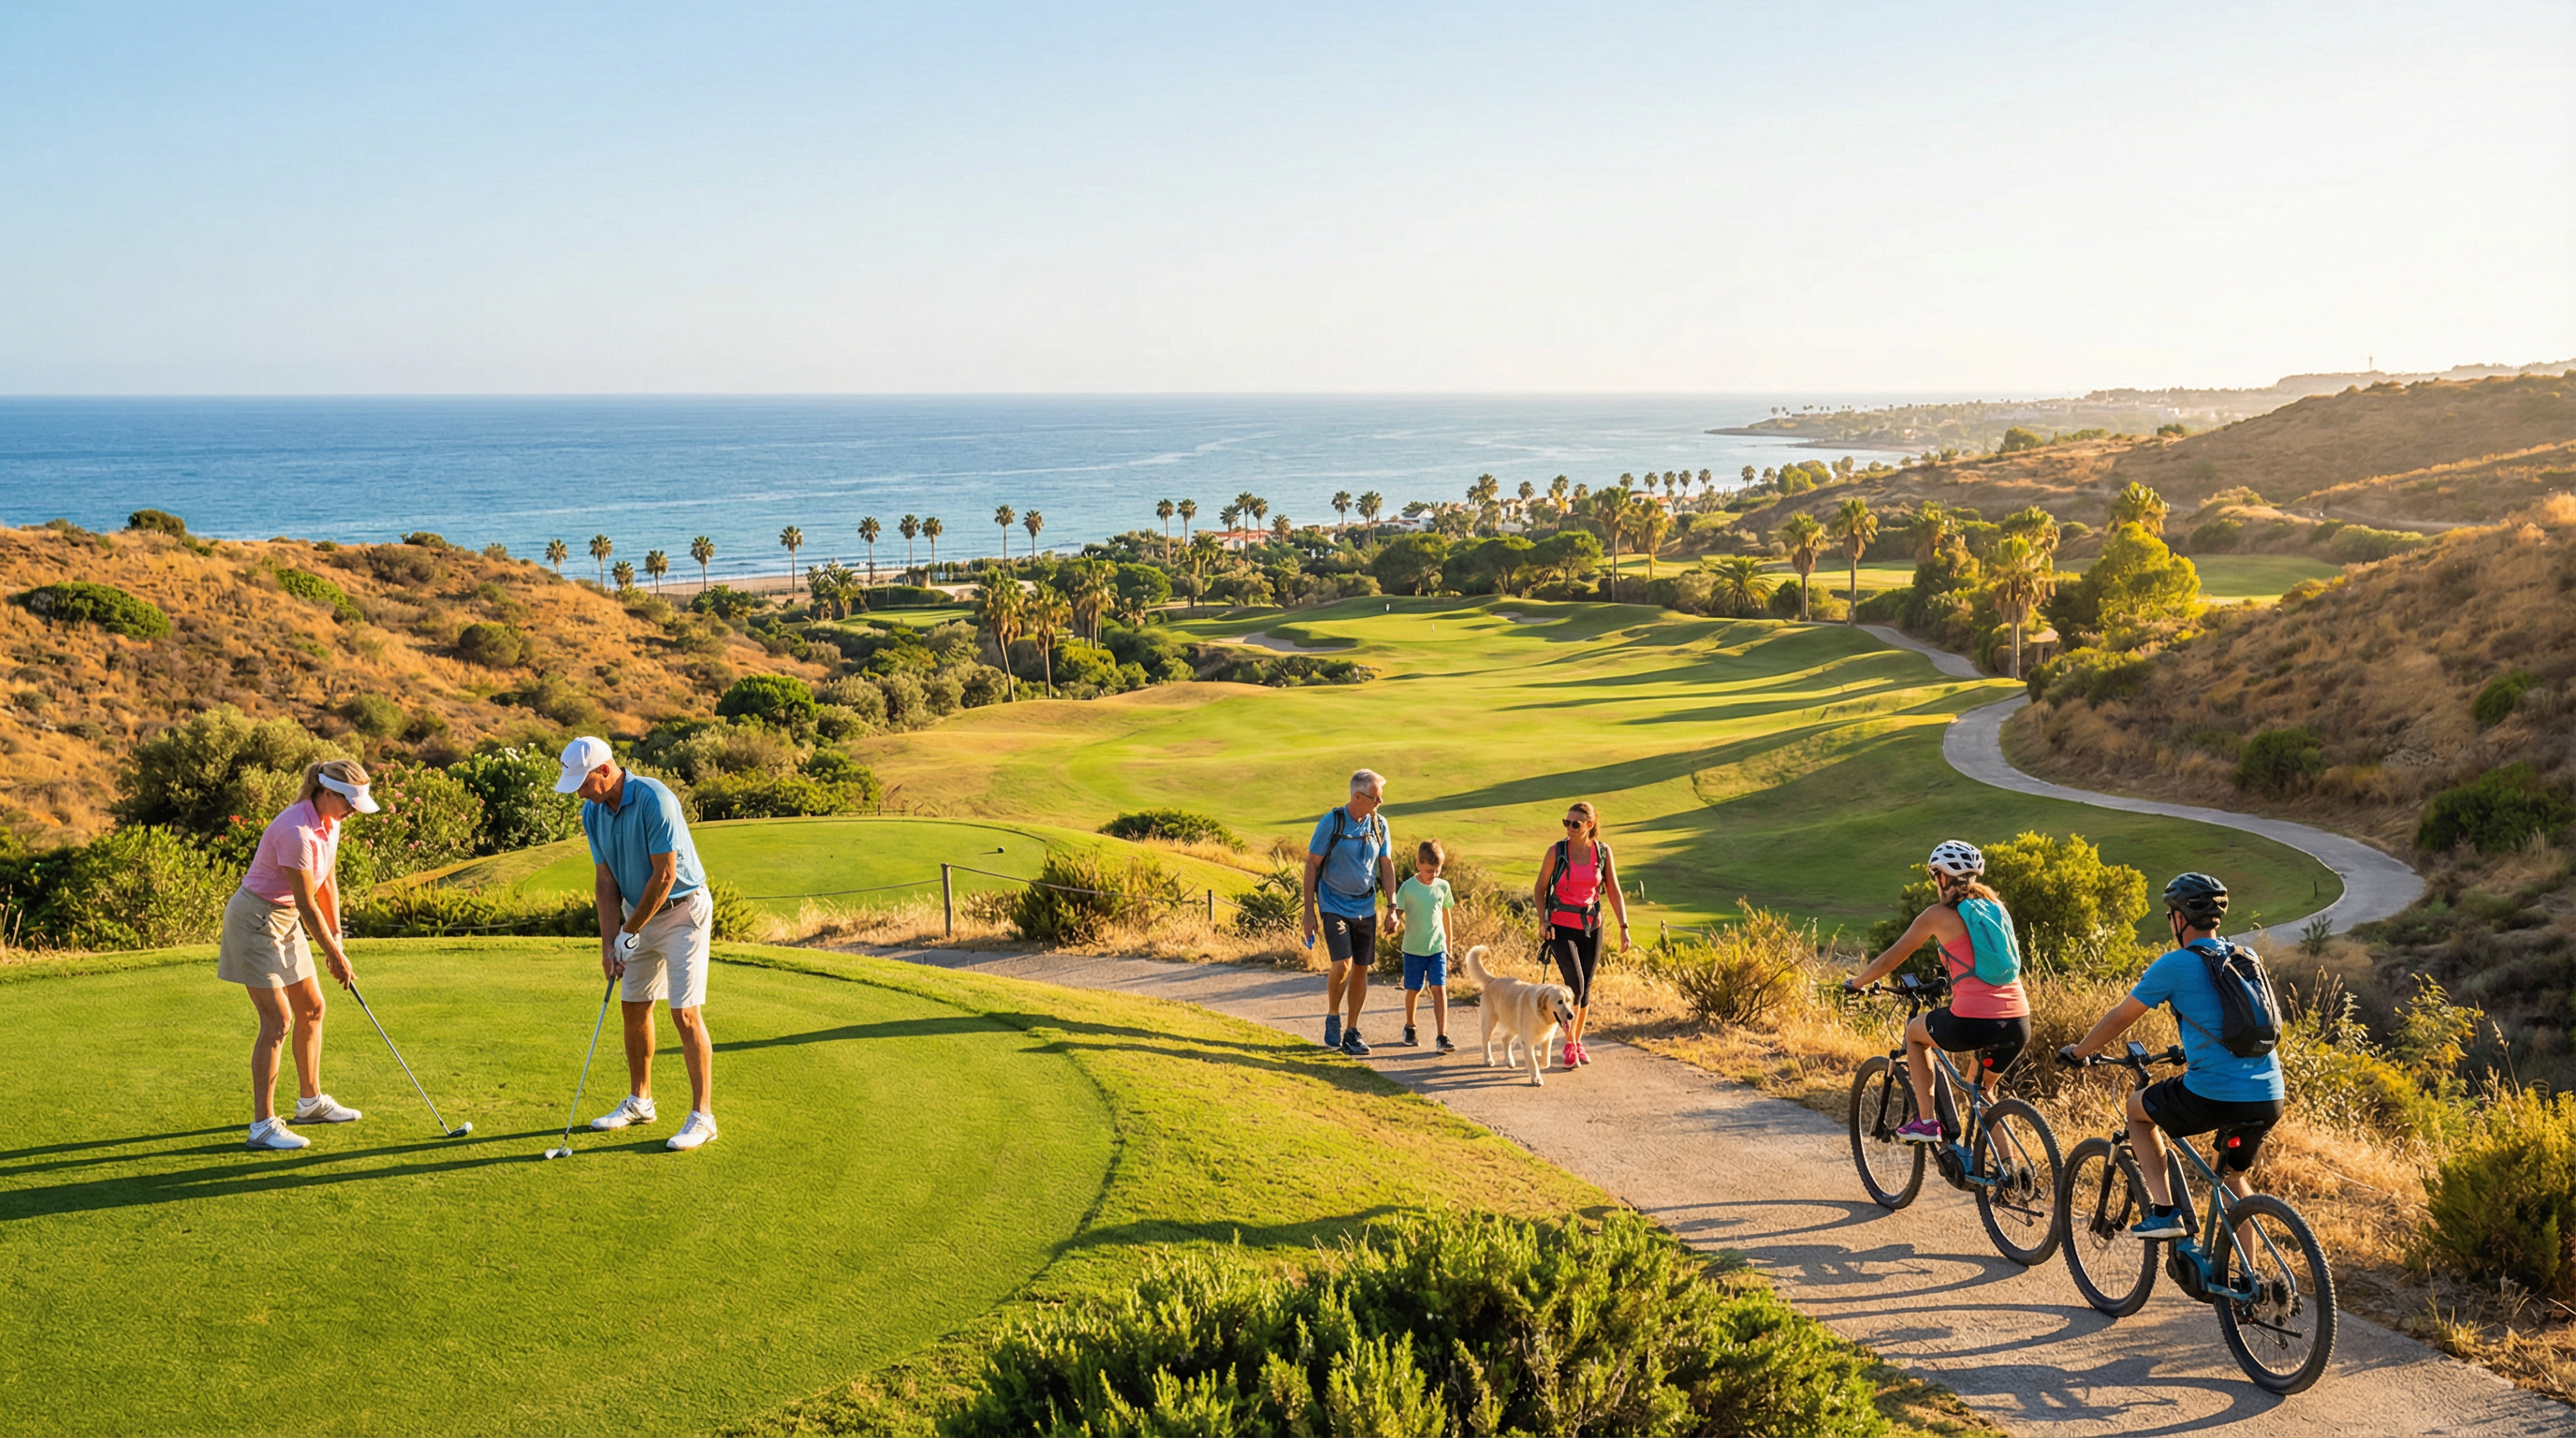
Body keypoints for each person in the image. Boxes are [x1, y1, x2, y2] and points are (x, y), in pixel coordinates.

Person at [2057, 873, 2283, 1238]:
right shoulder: (2246, 957)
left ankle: (2164, 1213)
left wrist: (2078, 1052)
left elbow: (2121, 1017)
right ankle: (2246, 1271)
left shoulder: (2174, 964)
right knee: (2230, 1181)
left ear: (2179, 918)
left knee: (2137, 1111)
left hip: (2215, 1093)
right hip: (2270, 1093)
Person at [556, 735, 721, 1152]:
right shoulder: (592, 812)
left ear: (605, 770)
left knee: (685, 1014)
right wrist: (609, 943)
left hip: (683, 911)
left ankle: (703, 1118)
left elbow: (665, 876)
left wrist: (629, 931)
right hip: (637, 913)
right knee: (633, 1006)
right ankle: (640, 1102)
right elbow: (605, 880)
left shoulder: (654, 799)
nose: (580, 792)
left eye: (584, 783)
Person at [220, 758, 380, 1152]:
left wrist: (337, 939)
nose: (353, 811)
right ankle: (262, 1125)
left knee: (312, 1007)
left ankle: (310, 1103)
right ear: (325, 792)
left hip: (286, 916)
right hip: (254, 920)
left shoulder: (331, 822)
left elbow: (327, 883)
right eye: (349, 802)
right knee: (278, 1020)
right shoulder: (296, 831)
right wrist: (333, 956)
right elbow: (307, 904)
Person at [1843, 840, 2030, 1142]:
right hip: (2019, 1021)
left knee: (1915, 1033)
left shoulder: (1937, 915)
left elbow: (1892, 958)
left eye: (1935, 876)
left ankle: (1927, 1122)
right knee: (1981, 1091)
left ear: (1943, 877)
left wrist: (1858, 982)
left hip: (1973, 1021)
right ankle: (2009, 1167)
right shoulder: (1996, 908)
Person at [1303, 769, 1398, 1057]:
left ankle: (1352, 1031)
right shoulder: (1331, 822)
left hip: (1365, 906)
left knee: (1361, 967)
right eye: (1376, 798)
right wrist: (1309, 913)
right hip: (1333, 903)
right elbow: (1311, 865)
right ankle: (1333, 1015)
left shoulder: (1380, 824)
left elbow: (1386, 864)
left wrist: (1392, 907)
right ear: (1358, 797)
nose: (1380, 802)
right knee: (1343, 963)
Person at [1530, 801, 1628, 1067]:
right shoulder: (1556, 851)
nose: (1569, 828)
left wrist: (1624, 927)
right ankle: (1570, 1044)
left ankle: (1575, 1042)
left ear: (1589, 825)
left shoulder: (1602, 852)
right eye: (1567, 822)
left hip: (1592, 926)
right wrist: (1543, 921)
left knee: (1585, 991)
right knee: (1576, 985)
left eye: (1575, 824)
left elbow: (1613, 890)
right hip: (1561, 926)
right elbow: (1540, 888)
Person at [1389, 839, 1457, 1052]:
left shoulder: (1443, 887)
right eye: (1429, 871)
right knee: (1414, 989)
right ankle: (1410, 1026)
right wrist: (1393, 921)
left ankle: (1442, 1036)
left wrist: (1448, 945)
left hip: (1437, 948)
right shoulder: (1408, 888)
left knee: (1439, 988)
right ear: (1418, 864)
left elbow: (1446, 916)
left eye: (1437, 871)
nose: (1433, 875)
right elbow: (1397, 911)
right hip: (1413, 949)